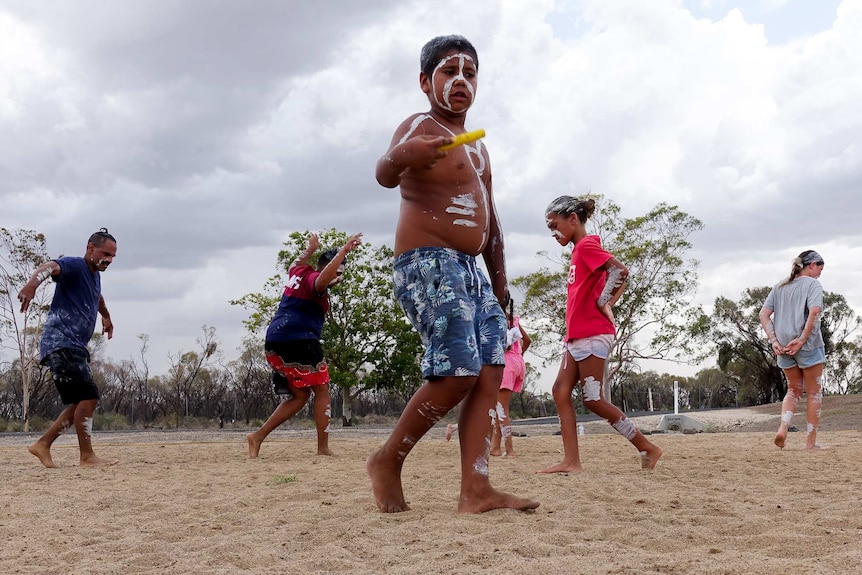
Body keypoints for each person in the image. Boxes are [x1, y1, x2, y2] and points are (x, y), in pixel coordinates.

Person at [368, 34, 538, 514]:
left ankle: (476, 487)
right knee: (457, 371)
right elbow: (383, 172)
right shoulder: (418, 126)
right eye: (449, 71)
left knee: (490, 372)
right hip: (428, 262)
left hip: (472, 272)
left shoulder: (479, 151)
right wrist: (407, 155)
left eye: (470, 72)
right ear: (425, 82)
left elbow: (492, 219)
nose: (461, 80)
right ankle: (387, 460)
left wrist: (502, 286)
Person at [540, 196, 662, 473]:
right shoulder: (578, 251)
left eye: (554, 225)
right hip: (576, 335)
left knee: (593, 399)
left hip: (592, 333)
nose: (553, 233)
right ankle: (571, 461)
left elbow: (619, 270)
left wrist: (603, 301)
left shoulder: (586, 246)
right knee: (560, 392)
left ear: (573, 219)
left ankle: (647, 447)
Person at [246, 232, 362, 459]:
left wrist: (310, 249)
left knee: (299, 396)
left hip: (275, 340)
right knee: (322, 389)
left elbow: (296, 262)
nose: (336, 277)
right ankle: (323, 448)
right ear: (329, 267)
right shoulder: (315, 282)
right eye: (337, 272)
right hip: (299, 338)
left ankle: (257, 437)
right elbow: (321, 280)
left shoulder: (298, 272)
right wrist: (343, 252)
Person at [18, 228, 117, 468]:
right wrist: (32, 285)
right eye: (106, 253)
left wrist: (106, 317)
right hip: (61, 342)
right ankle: (86, 456)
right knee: (89, 396)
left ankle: (42, 444)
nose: (109, 260)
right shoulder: (75, 265)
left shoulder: (94, 277)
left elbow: (98, 298)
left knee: (80, 402)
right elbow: (49, 267)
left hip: (73, 347)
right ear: (91, 248)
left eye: (113, 257)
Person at [758, 250, 827, 450]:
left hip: (783, 346)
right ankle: (810, 443)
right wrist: (802, 339)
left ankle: (783, 428)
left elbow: (763, 314)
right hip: (808, 345)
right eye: (820, 269)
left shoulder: (780, 286)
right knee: (814, 392)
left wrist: (773, 340)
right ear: (812, 264)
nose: (820, 274)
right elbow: (814, 312)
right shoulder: (813, 285)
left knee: (793, 390)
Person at [490, 299, 531, 457]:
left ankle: (509, 449)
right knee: (498, 408)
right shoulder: (513, 319)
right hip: (518, 363)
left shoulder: (494, 320)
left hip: (505, 365)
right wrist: (517, 356)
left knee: (501, 409)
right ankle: (495, 447)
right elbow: (527, 341)